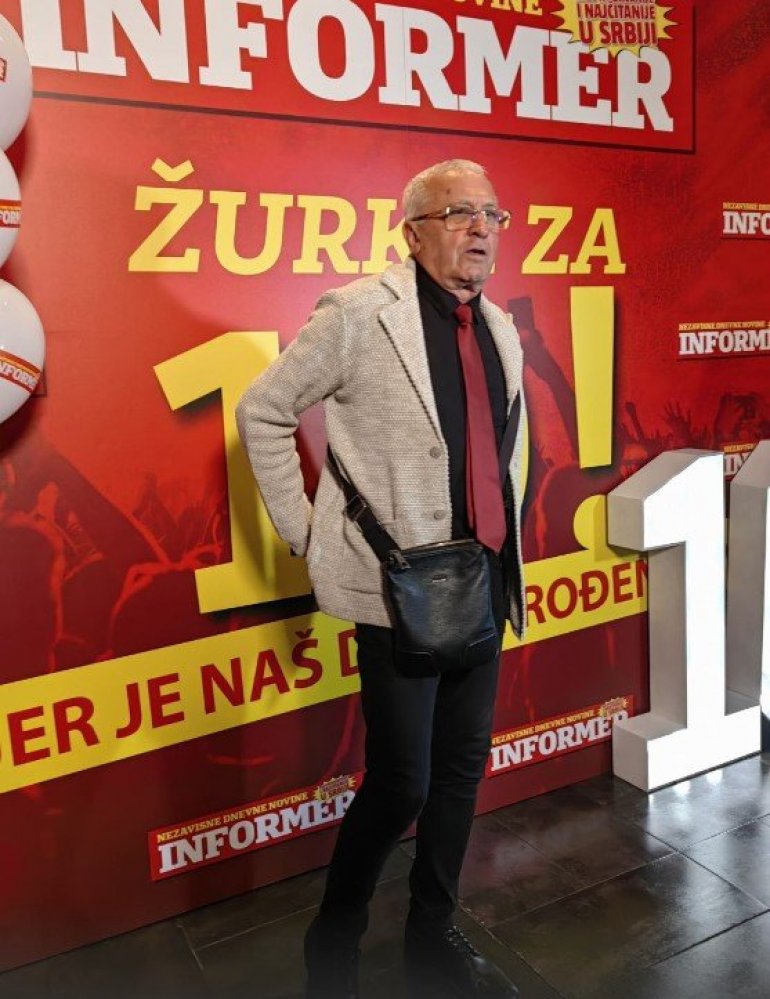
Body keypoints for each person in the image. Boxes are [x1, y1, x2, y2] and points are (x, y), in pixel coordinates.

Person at [237, 160, 525, 999]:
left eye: (493, 214)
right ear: (414, 231)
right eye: (460, 213)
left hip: (483, 580)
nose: (482, 229)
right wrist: (309, 533)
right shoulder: (361, 313)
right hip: (400, 593)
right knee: (403, 782)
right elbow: (263, 409)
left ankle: (433, 935)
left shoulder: (500, 325)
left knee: (462, 771)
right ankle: (334, 940)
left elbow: (498, 449)